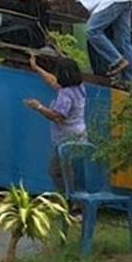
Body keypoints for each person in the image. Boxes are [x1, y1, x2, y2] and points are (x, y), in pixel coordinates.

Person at [24, 55, 87, 192]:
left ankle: (68, 197)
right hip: (80, 136)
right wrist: (37, 68)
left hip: (66, 139)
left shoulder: (66, 94)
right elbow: (52, 81)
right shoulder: (79, 87)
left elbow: (56, 116)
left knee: (57, 171)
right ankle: (73, 196)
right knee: (73, 172)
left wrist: (38, 106)